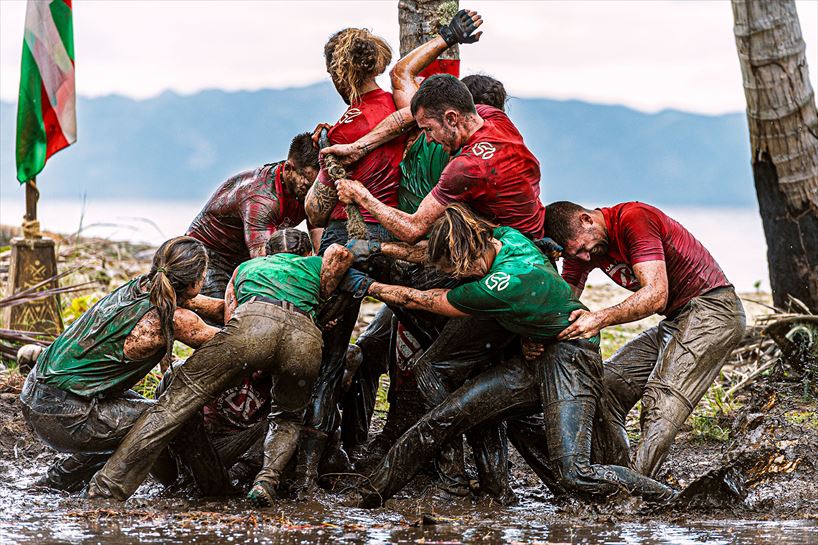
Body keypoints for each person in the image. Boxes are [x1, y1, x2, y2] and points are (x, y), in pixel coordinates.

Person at [339, 204, 676, 507]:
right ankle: (369, 494)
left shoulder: (497, 286)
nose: (458, 277)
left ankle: (670, 500)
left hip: (572, 359)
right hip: (534, 354)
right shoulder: (505, 237)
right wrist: (381, 248)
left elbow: (422, 299)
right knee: (442, 419)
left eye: (457, 269)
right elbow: (430, 253)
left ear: (467, 257)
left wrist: (369, 287)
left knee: (575, 471)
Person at [86, 229, 356, 505]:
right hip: (304, 340)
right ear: (308, 254)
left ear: (267, 254)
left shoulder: (247, 267)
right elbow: (341, 261)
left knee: (173, 403)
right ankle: (266, 482)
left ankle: (108, 486)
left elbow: (230, 316)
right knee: (288, 418)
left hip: (251, 330)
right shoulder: (315, 266)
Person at [543, 201, 746, 478]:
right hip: (676, 319)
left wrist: (599, 318)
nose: (585, 257)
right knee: (604, 388)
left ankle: (637, 487)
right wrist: (536, 337)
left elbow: (656, 295)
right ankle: (615, 476)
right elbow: (562, 304)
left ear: (586, 219)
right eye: (575, 254)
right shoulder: (581, 252)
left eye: (582, 248)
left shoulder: (633, 218)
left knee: (661, 399)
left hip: (714, 310)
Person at [19, 237, 228, 495]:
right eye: (204, 275)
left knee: (128, 419)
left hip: (36, 395)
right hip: (63, 414)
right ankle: (214, 492)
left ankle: (56, 482)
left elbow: (212, 307)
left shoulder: (145, 286)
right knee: (179, 417)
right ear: (195, 282)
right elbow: (233, 344)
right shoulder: (174, 319)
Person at [335, 73, 544, 243]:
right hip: (535, 229)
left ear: (451, 118)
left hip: (513, 250)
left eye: (429, 129)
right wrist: (358, 147)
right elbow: (407, 116)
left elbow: (412, 230)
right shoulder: (493, 117)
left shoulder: (466, 168)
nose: (428, 139)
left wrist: (361, 195)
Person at [187, 132, 320, 298]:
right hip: (207, 256)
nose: (312, 191)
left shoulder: (309, 191)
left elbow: (319, 245)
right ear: (288, 169)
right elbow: (264, 264)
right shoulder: (261, 198)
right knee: (228, 307)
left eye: (316, 185)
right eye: (306, 185)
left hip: (240, 257)